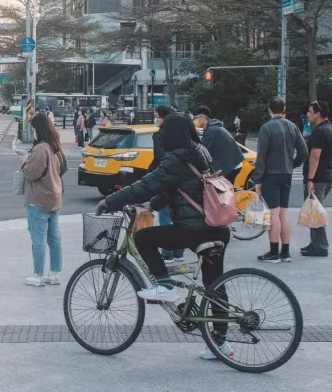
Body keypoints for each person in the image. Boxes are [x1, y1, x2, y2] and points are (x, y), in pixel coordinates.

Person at [98, 114, 233, 359]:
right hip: (217, 227)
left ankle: (165, 284)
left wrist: (111, 201)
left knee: (144, 238)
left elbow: (148, 183)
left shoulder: (176, 158)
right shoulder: (199, 151)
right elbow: (179, 188)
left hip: (194, 229)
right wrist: (153, 204)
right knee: (214, 285)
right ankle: (221, 343)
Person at [252, 97, 308, 264]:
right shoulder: (293, 127)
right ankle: (285, 253)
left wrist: (258, 179)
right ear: (284, 109)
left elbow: (261, 156)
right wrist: (292, 164)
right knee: (283, 213)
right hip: (286, 174)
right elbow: (303, 152)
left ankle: (273, 252)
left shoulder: (266, 128)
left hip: (271, 175)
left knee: (273, 213)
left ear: (270, 110)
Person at [22, 113, 65, 287]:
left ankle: (37, 274)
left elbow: (31, 173)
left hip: (39, 199)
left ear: (38, 129)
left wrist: (24, 161)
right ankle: (54, 273)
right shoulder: (54, 145)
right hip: (54, 197)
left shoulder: (41, 148)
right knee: (54, 238)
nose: (32, 131)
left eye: (33, 128)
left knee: (38, 238)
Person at [301, 100, 332, 258]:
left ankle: (321, 246)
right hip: (327, 176)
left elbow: (315, 157)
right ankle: (314, 243)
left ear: (318, 114)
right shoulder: (331, 129)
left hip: (318, 178)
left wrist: (310, 179)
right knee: (313, 210)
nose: (308, 114)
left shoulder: (319, 131)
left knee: (315, 211)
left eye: (310, 111)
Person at [150, 105, 183, 263]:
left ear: (163, 118)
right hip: (179, 179)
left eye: (157, 116)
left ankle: (167, 253)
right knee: (176, 215)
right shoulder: (179, 133)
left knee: (164, 216)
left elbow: (158, 158)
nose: (155, 119)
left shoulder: (159, 135)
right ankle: (178, 252)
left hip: (164, 179)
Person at [193, 106, 245, 184]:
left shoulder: (212, 130)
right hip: (233, 163)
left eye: (195, 118)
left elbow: (201, 149)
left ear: (202, 117)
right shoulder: (213, 127)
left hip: (230, 166)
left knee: (223, 192)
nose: (194, 121)